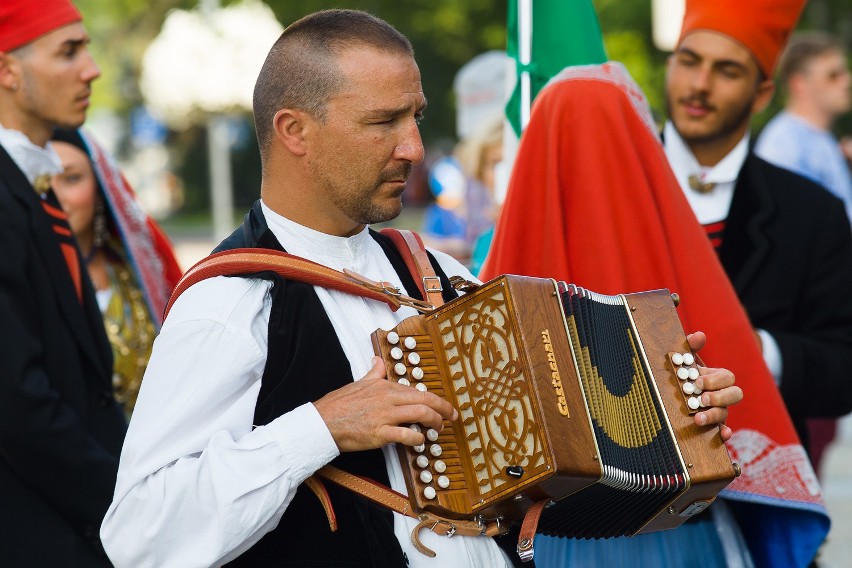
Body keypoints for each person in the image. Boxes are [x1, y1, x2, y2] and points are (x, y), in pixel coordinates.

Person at [100, 10, 740, 568]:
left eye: (416, 117)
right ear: (295, 131)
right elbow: (139, 536)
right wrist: (320, 426)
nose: (412, 146)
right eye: (384, 121)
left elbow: (532, 490)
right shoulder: (231, 303)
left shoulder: (436, 271)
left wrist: (668, 416)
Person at [661, 0, 852, 487]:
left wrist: (755, 351)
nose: (699, 86)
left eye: (726, 70)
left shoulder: (812, 212)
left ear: (763, 91)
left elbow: (842, 366)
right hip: (615, 502)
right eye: (688, 61)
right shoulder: (604, 184)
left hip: (759, 496)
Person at [0, 1, 127, 565]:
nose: (92, 68)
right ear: (7, 70)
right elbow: (16, 403)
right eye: (68, 51)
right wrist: (126, 502)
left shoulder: (31, 184)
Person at [51, 128, 183, 416]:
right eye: (42, 182)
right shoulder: (21, 278)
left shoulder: (139, 272)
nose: (56, 196)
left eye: (71, 178)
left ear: (100, 189)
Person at [756, 32, 852, 221]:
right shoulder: (784, 147)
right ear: (800, 85)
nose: (847, 81)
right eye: (833, 75)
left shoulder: (821, 139)